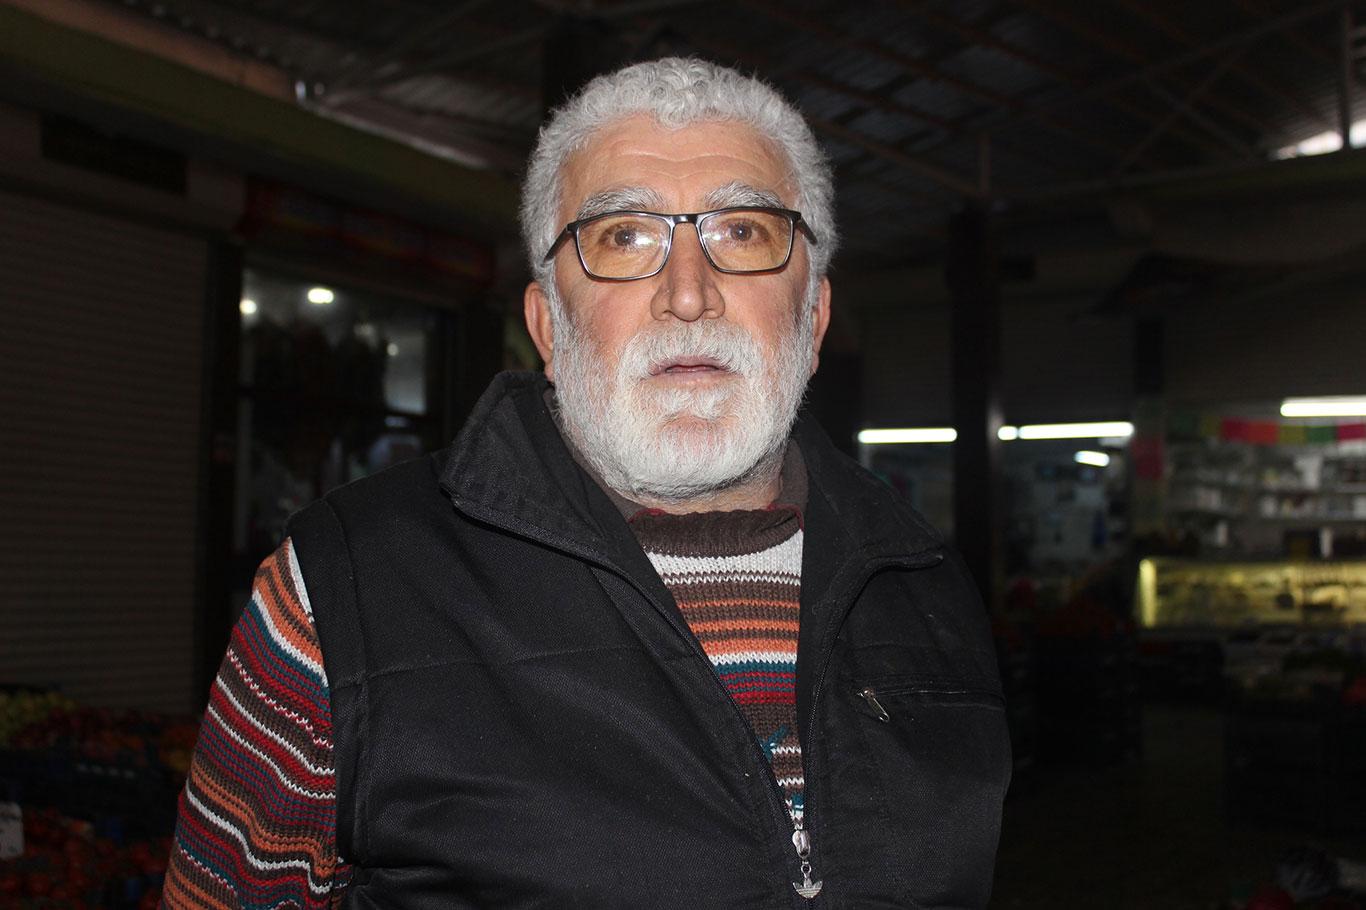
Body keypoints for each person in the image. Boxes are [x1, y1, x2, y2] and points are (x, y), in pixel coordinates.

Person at [163, 57, 1010, 909]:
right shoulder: (341, 591)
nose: (689, 294)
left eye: (743, 232)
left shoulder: (928, 585)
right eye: (624, 237)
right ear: (548, 325)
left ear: (814, 317)